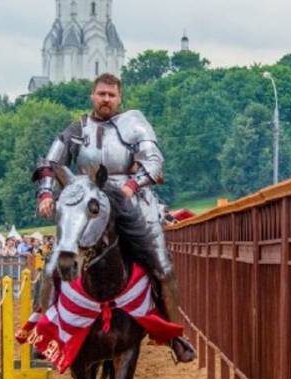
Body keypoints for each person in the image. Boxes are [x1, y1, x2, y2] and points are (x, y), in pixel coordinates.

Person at [31, 73, 195, 362]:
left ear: (119, 98)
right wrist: (45, 193)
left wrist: (132, 186)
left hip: (131, 201)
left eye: (111, 95)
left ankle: (174, 335)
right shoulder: (77, 128)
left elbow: (154, 161)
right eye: (101, 94)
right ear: (92, 96)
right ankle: (43, 326)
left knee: (163, 268)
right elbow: (51, 162)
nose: (106, 99)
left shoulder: (134, 124)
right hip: (88, 202)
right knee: (55, 262)